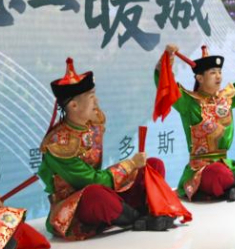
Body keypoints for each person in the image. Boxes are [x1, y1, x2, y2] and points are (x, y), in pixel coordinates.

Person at [38, 58, 175, 241]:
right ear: (73, 105)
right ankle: (138, 220)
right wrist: (130, 164)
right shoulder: (59, 145)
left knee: (152, 165)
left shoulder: (91, 124)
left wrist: (135, 167)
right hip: (77, 207)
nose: (97, 101)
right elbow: (90, 182)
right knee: (95, 194)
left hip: (103, 189)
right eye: (91, 96)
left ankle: (146, 209)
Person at [154, 45, 235, 201]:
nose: (218, 77)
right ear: (200, 78)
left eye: (219, 72)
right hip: (201, 169)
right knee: (217, 174)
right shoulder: (189, 103)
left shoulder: (226, 98)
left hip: (228, 164)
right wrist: (168, 57)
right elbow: (166, 86)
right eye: (212, 73)